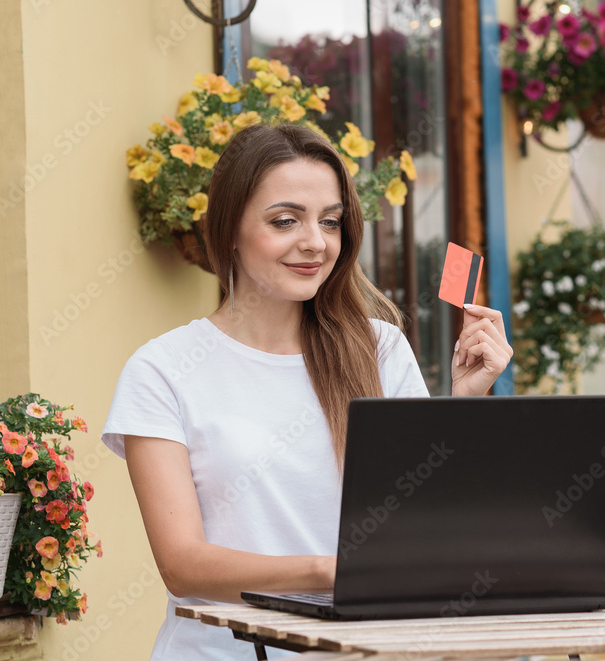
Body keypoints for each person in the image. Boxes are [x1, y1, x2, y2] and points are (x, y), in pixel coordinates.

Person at [101, 123, 513, 660]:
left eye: (330, 222)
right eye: (284, 220)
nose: (315, 242)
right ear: (229, 229)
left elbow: (426, 524)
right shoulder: (162, 369)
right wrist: (326, 572)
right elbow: (183, 566)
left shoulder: (380, 349)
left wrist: (465, 404)